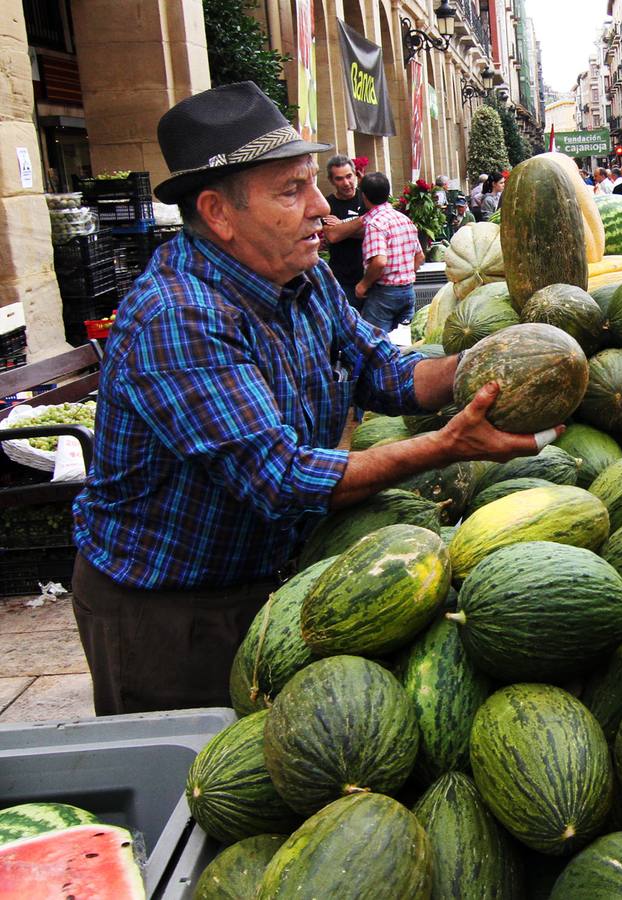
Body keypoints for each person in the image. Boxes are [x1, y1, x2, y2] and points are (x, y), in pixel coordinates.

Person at [70, 81, 546, 716]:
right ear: (217, 213)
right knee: (200, 782)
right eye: (292, 190)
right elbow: (281, 478)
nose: (322, 206)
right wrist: (446, 446)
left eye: (313, 182)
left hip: (276, 576)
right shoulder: (178, 317)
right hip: (173, 611)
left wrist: (496, 367)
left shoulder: (308, 276)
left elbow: (385, 370)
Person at [356, 171, 424, 332]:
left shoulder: (375, 224)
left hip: (384, 295)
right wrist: (404, 273)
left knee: (372, 344)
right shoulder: (404, 219)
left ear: (364, 196)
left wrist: (363, 285)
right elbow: (420, 256)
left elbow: (379, 261)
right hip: (408, 291)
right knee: (405, 341)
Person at [321, 154, 365, 308]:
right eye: (339, 179)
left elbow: (376, 231)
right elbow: (332, 236)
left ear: (356, 175)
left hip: (372, 277)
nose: (346, 183)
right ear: (331, 181)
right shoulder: (327, 205)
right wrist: (362, 222)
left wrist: (341, 225)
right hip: (343, 279)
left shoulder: (366, 198)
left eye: (349, 176)